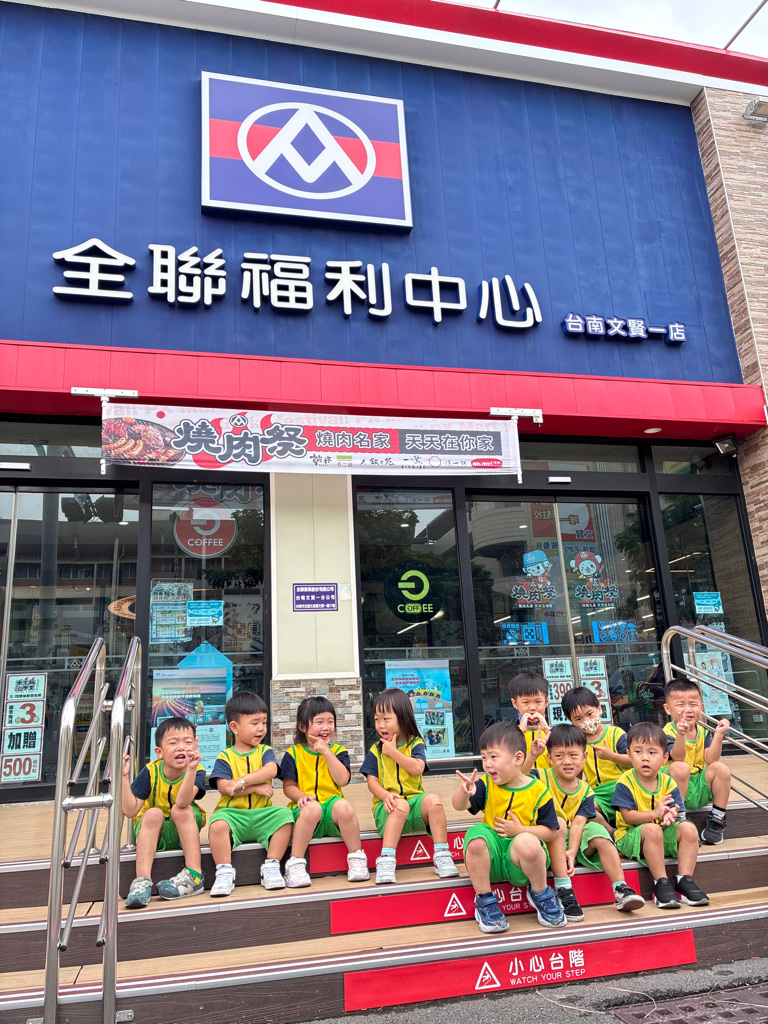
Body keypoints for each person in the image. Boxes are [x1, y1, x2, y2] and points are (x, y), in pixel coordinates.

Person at [452, 721, 566, 933]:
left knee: (528, 842)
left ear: (518, 758)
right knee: (476, 837)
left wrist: (521, 831)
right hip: (492, 860)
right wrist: (464, 792)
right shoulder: (486, 784)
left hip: (521, 865)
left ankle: (540, 892)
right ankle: (485, 900)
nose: (487, 764)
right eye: (484, 757)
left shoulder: (539, 791)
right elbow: (458, 806)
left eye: (494, 757)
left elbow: (551, 832)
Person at [542, 724, 645, 914]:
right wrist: (532, 755)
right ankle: (563, 889)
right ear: (549, 758)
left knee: (598, 831)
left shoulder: (586, 791)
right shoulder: (540, 778)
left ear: (584, 757)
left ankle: (620, 888)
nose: (567, 761)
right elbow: (519, 777)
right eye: (559, 755)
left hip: (574, 839)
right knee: (559, 824)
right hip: (548, 840)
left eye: (573, 755)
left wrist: (572, 851)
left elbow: (579, 823)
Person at [360, 688, 459, 885]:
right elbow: (372, 781)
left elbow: (417, 767)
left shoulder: (415, 743)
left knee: (434, 801)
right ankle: (386, 859)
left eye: (386, 719)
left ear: (403, 717)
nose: (380, 725)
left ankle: (442, 855)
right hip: (388, 809)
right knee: (400, 805)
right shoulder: (375, 750)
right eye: (377, 719)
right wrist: (385, 796)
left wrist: (393, 752)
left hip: (414, 805)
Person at [612, 722, 710, 909]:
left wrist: (670, 816)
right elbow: (627, 817)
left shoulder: (668, 782)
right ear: (628, 755)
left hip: (658, 834)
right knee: (652, 829)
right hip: (629, 836)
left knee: (688, 828)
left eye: (652, 752)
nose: (645, 758)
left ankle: (684, 881)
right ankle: (661, 882)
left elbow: (675, 810)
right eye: (638, 752)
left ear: (665, 758)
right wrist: (655, 814)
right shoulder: (625, 782)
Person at [207, 691, 294, 897]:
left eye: (264, 722)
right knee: (217, 824)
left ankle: (272, 865)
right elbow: (224, 786)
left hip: (262, 813)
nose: (261, 728)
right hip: (233, 815)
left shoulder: (264, 751)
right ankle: (224, 871)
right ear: (234, 727)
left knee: (285, 816)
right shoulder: (225, 756)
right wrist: (254, 787)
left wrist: (243, 781)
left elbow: (271, 769)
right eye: (254, 723)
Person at [280, 696, 369, 885]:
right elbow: (288, 787)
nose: (326, 727)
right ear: (302, 727)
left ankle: (357, 859)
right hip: (305, 810)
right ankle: (295, 863)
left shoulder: (338, 751)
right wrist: (301, 796)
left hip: (331, 809)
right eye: (319, 722)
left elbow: (343, 780)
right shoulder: (293, 754)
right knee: (312, 808)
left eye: (330, 722)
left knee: (344, 806)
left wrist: (326, 752)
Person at [121, 716, 206, 908]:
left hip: (183, 828)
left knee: (181, 809)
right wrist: (124, 778)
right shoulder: (150, 771)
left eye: (187, 742)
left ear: (195, 745)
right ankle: (142, 882)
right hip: (153, 832)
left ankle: (194, 876)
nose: (181, 747)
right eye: (173, 743)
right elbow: (130, 810)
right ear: (159, 752)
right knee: (153, 813)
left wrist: (191, 770)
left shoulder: (198, 770)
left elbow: (182, 801)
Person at [663, 679, 731, 844]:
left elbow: (711, 759)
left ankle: (717, 819)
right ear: (668, 709)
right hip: (673, 788)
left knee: (720, 768)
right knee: (680, 767)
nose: (688, 709)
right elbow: (678, 757)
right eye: (680, 704)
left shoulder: (703, 731)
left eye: (693, 704)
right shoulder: (667, 732)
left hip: (696, 786)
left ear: (701, 707)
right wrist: (681, 734)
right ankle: (679, 819)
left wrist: (719, 735)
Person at [562, 686, 630, 827]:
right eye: (578, 719)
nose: (586, 721)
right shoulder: (577, 744)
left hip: (622, 786)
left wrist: (612, 756)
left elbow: (634, 761)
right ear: (571, 721)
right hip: (597, 793)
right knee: (584, 809)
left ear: (599, 708)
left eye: (590, 714)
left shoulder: (616, 733)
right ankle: (611, 832)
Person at [509, 671, 551, 772]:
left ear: (546, 701)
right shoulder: (509, 734)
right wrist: (519, 732)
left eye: (538, 702)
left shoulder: (553, 732)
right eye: (526, 702)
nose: (532, 707)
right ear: (514, 703)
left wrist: (546, 729)